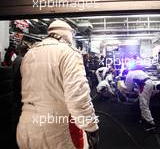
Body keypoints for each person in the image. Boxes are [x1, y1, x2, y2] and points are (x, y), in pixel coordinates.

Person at [17, 20, 99, 149]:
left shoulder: (29, 54)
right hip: (58, 131)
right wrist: (91, 127)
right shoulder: (68, 53)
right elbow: (78, 98)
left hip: (26, 127)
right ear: (68, 34)